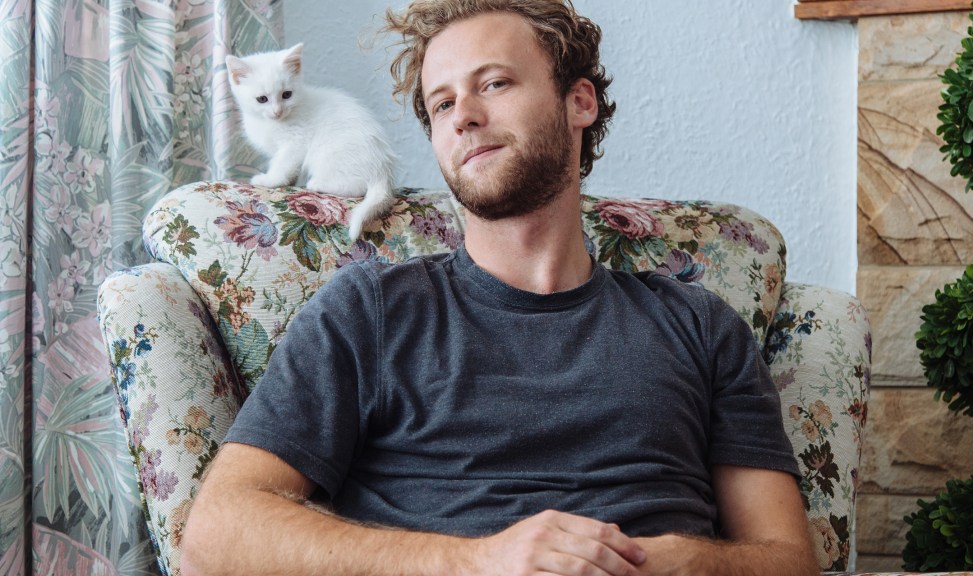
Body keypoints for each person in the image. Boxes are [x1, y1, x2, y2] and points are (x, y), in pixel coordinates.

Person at [181, 1, 819, 574]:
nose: (465, 118)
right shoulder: (368, 312)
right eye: (441, 104)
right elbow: (216, 536)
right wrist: (475, 561)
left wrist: (690, 564)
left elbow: (789, 560)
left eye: (493, 83)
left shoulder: (700, 325)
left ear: (580, 102)